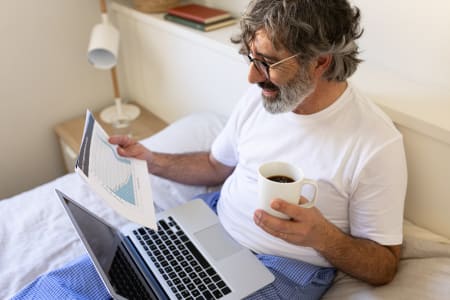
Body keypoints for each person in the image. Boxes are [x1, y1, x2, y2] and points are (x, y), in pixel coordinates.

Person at [110, 0, 407, 298]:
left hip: (282, 269)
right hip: (210, 226)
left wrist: (324, 237)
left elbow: (384, 266)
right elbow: (215, 165)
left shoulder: (375, 143)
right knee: (96, 274)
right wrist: (150, 159)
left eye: (267, 63)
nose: (252, 76)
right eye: (251, 58)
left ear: (320, 62)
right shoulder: (261, 98)